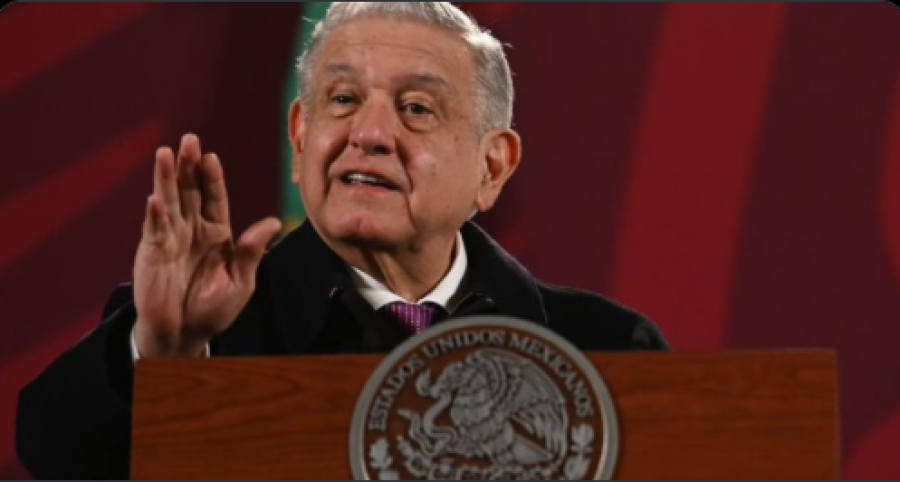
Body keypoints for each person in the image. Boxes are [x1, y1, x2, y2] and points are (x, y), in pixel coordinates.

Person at [16, 2, 668, 479]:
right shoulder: (196, 335)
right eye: (343, 99)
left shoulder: (604, 349)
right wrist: (166, 354)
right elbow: (54, 452)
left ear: (492, 166)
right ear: (300, 138)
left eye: (416, 108)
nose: (370, 133)